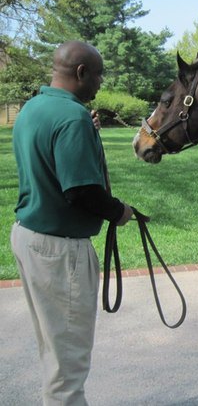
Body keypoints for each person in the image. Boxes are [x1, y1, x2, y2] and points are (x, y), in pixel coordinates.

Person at [11, 40, 133, 405]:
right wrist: (119, 212)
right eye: (98, 75)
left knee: (53, 350)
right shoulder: (73, 118)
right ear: (81, 72)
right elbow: (81, 192)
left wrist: (84, 127)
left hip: (29, 238)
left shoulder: (33, 108)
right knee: (68, 368)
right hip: (60, 250)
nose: (100, 82)